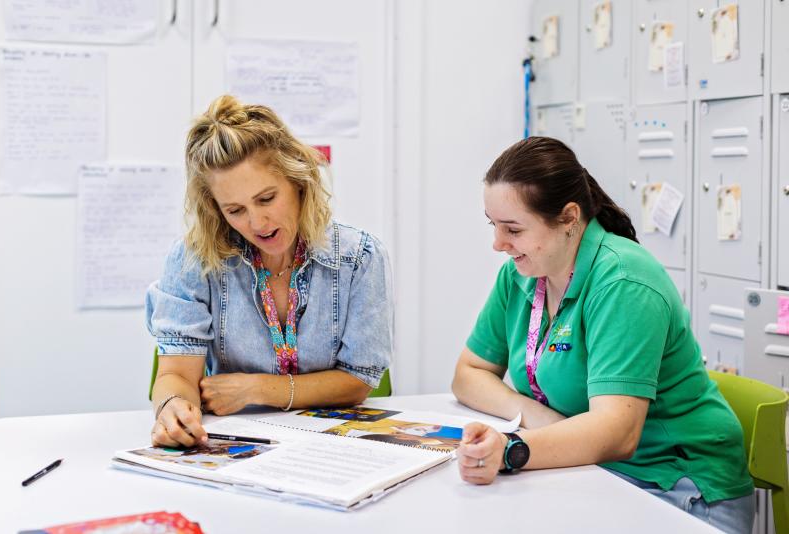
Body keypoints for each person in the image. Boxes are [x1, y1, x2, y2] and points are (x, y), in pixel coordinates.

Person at [451, 137, 754, 533]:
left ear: (569, 218)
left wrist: (513, 449)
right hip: (593, 470)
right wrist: (537, 417)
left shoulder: (623, 282)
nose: (498, 244)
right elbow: (468, 374)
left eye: (514, 229)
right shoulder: (522, 275)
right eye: (494, 225)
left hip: (676, 487)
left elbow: (617, 433)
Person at [146, 95, 393, 449]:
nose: (257, 223)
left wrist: (257, 388)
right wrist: (172, 409)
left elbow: (359, 381)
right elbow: (176, 375)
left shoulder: (360, 257)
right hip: (238, 443)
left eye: (266, 199)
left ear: (297, 181)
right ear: (216, 210)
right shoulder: (193, 260)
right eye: (235, 210)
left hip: (332, 446)